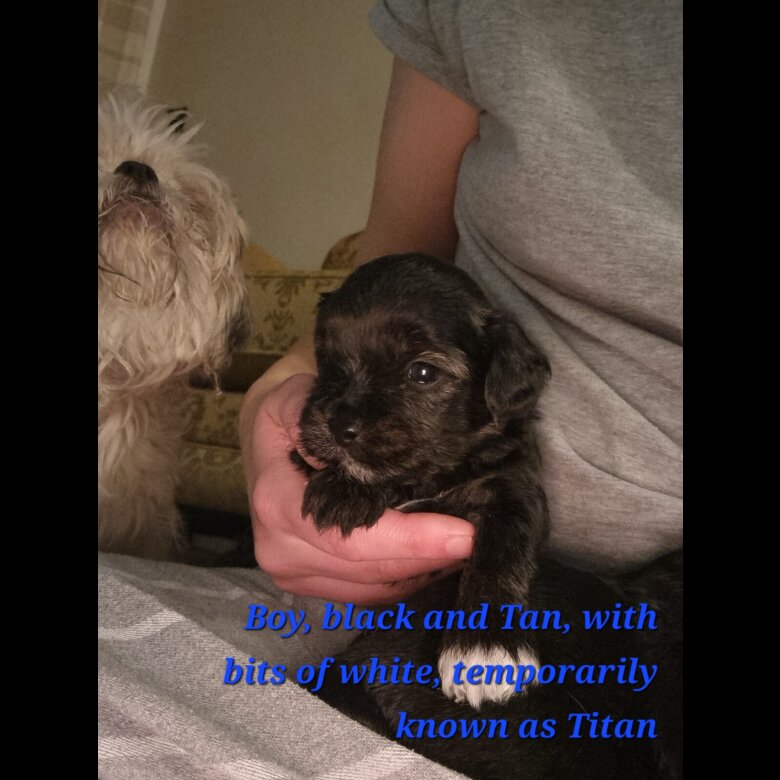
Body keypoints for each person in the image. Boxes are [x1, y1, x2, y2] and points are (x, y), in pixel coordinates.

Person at [239, 0, 682, 606]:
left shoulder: (501, 402)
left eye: (424, 374)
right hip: (374, 587)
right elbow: (391, 267)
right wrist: (264, 420)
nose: (350, 417)